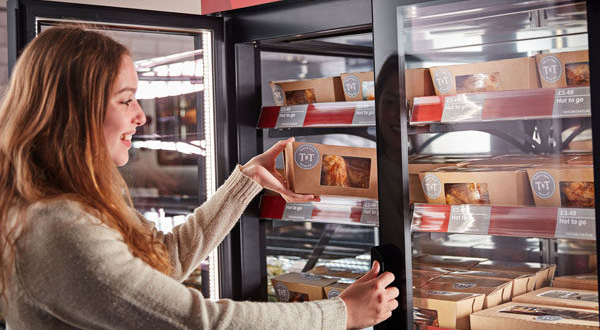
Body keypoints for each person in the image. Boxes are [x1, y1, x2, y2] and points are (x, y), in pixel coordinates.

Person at [0, 25, 398, 330]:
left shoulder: (71, 203)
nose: (140, 116)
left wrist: (248, 180)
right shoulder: (59, 225)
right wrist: (340, 314)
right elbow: (197, 322)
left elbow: (164, 262)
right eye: (126, 100)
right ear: (76, 114)